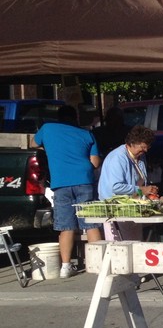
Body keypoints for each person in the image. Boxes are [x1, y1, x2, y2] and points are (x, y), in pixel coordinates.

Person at [34, 105, 102, 278]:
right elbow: (95, 162)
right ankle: (98, 264)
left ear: (59, 117)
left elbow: (33, 143)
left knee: (66, 226)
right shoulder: (87, 134)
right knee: (91, 223)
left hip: (61, 183)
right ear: (76, 117)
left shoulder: (47, 129)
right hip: (84, 180)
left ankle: (65, 267)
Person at [98, 124, 158, 241]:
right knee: (120, 246)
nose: (145, 150)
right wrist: (142, 190)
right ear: (132, 143)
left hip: (132, 207)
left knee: (134, 244)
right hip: (115, 208)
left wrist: (148, 192)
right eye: (142, 147)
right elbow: (116, 187)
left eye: (147, 147)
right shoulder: (118, 157)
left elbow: (140, 182)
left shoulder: (140, 157)